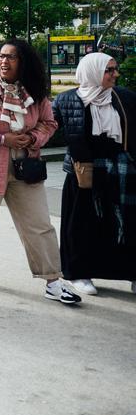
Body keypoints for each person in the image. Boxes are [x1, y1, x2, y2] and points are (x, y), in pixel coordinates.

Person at [0, 40, 81, 304]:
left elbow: (49, 123)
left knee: (39, 225)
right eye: (1, 56)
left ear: (23, 62)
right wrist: (1, 139)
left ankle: (52, 280)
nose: (4, 61)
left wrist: (34, 138)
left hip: (26, 170)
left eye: (11, 57)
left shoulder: (36, 96)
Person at [53, 52, 136, 296]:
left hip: (120, 169)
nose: (115, 74)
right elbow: (48, 128)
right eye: (109, 70)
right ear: (93, 71)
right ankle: (78, 273)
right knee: (81, 222)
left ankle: (131, 273)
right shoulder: (67, 100)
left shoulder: (125, 97)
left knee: (126, 221)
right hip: (83, 171)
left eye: (115, 69)